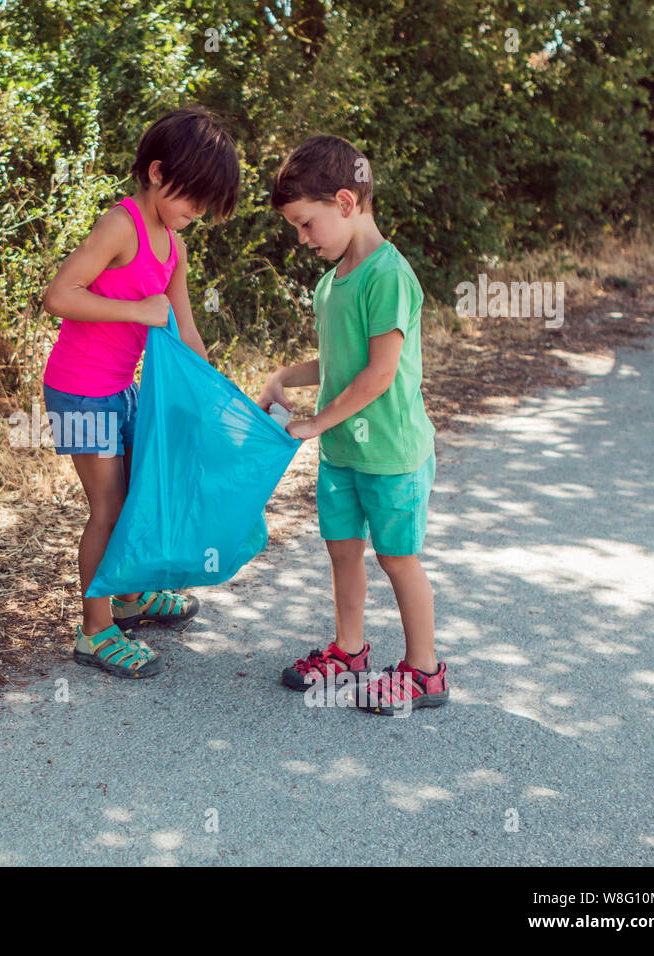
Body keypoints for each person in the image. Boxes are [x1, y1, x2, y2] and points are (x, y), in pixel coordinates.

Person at [40, 105, 240, 679]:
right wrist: (135, 310)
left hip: (121, 390)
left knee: (136, 499)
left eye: (206, 208)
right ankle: (94, 631)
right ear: (156, 172)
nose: (196, 214)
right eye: (192, 199)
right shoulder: (120, 224)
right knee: (107, 508)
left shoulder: (174, 244)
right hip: (80, 391)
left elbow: (184, 324)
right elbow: (60, 295)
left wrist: (212, 395)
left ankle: (129, 598)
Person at [259, 134, 449, 713]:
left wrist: (315, 423)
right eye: (296, 226)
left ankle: (424, 672)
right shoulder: (332, 280)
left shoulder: (387, 275)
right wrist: (283, 377)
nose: (302, 238)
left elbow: (379, 375)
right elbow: (339, 363)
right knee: (342, 549)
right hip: (342, 452)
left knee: (397, 559)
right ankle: (349, 651)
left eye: (306, 223)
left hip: (391, 452)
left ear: (346, 202)